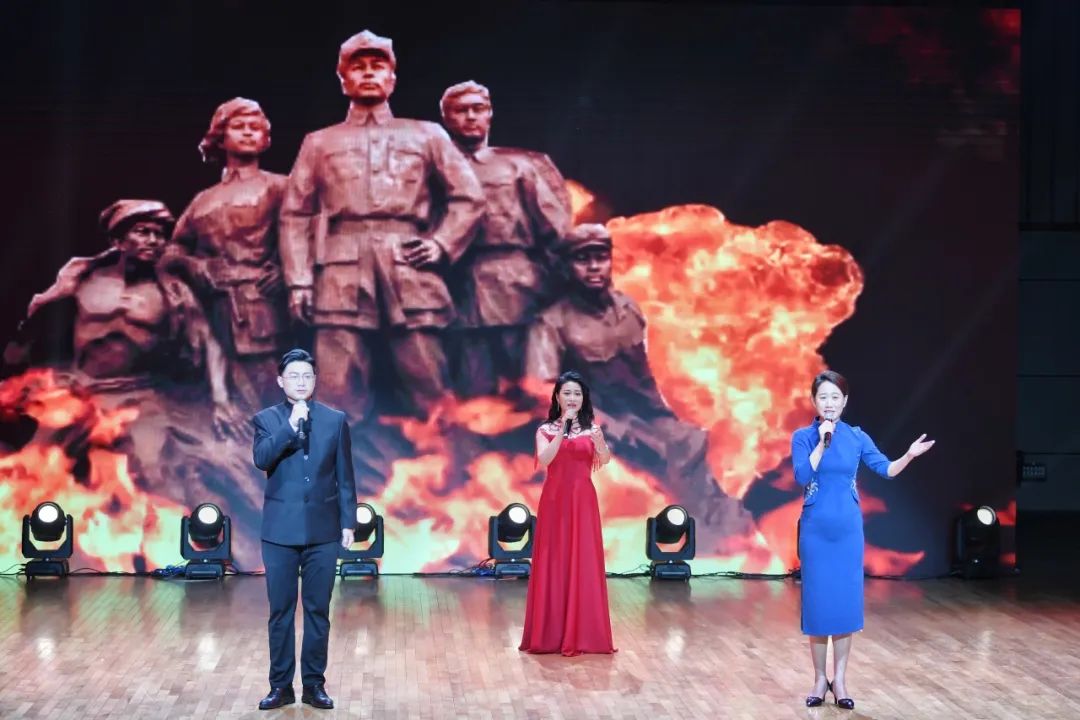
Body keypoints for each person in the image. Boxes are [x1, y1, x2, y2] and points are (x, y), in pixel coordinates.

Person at [278, 30, 484, 420]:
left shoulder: (427, 134)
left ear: (392, 78)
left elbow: (469, 196)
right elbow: (295, 214)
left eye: (378, 66)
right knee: (337, 385)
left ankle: (447, 455)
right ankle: (332, 457)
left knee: (427, 377)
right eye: (358, 67)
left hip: (408, 261)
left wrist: (441, 244)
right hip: (340, 268)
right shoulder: (319, 142)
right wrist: (299, 281)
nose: (369, 73)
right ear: (343, 80)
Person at [525, 223, 751, 540]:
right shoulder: (551, 323)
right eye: (582, 259)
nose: (593, 267)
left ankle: (718, 534)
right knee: (653, 458)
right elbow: (536, 385)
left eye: (600, 257)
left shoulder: (628, 308)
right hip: (594, 420)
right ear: (566, 265)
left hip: (643, 413)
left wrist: (669, 410)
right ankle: (688, 533)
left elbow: (646, 370)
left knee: (690, 442)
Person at [791, 370, 935, 710]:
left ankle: (840, 680)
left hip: (847, 531)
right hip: (815, 530)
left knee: (843, 606)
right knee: (818, 606)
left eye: (835, 397)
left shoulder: (857, 437)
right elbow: (802, 475)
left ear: (844, 401)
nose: (829, 403)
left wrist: (909, 455)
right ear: (814, 401)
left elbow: (886, 469)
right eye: (823, 397)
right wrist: (822, 442)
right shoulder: (803, 437)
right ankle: (819, 679)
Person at [438, 80, 570, 396]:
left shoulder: (519, 165)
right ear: (446, 118)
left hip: (518, 284)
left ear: (490, 114)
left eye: (478, 109)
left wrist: (564, 279)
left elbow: (554, 228)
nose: (471, 116)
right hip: (458, 287)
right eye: (461, 110)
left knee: (527, 381)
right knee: (472, 387)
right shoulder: (433, 170)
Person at [167, 97, 290, 410]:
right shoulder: (203, 200)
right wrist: (192, 265)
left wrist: (286, 270)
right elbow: (173, 250)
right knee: (220, 390)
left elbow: (308, 233)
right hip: (214, 308)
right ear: (220, 137)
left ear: (265, 138)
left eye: (255, 127)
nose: (248, 132)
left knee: (270, 390)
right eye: (238, 126)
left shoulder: (282, 187)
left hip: (265, 305)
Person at [252, 348, 357, 710]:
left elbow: (345, 476)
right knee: (280, 612)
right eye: (294, 376)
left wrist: (348, 522)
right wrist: (290, 426)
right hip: (279, 534)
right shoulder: (267, 420)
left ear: (315, 381)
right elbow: (262, 458)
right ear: (281, 381)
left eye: (307, 376)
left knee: (318, 611)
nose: (301, 382)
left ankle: (314, 685)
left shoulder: (335, 420)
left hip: (322, 532)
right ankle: (280, 686)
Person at [519, 370, 616, 656]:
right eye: (567, 393)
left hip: (583, 500)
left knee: (583, 559)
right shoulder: (545, 429)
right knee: (554, 560)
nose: (572, 398)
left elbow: (604, 459)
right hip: (555, 500)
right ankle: (549, 634)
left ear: (583, 398)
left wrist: (600, 442)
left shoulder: (591, 429)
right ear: (558, 398)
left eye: (577, 393)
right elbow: (545, 458)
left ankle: (584, 633)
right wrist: (563, 429)